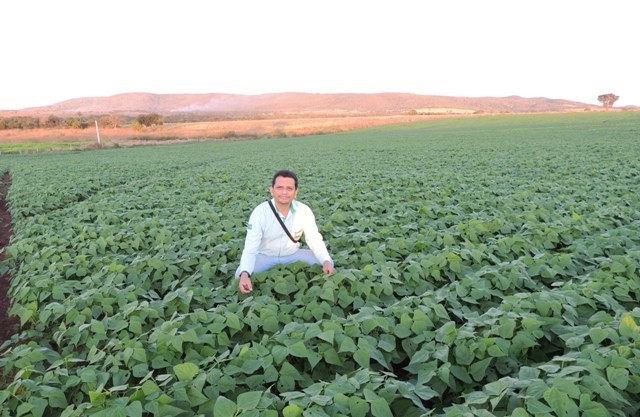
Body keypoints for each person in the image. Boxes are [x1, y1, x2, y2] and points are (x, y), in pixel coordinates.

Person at [236, 169, 336, 294]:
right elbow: (250, 248)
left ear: (296, 192)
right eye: (279, 187)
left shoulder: (303, 211)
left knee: (328, 263)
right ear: (271, 190)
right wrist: (245, 273)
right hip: (265, 256)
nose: (284, 192)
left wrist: (326, 261)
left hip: (292, 254)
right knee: (239, 275)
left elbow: (314, 239)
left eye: (289, 188)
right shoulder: (260, 213)